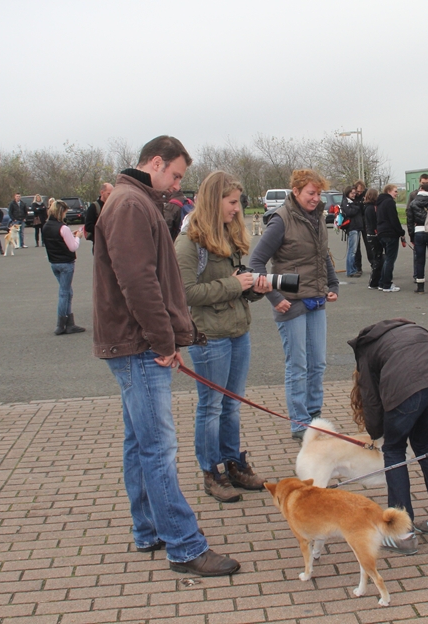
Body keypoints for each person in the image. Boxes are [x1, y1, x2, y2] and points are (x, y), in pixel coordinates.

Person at [93, 135, 239, 577]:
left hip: (137, 343)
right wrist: (164, 342)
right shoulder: (131, 205)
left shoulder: (133, 200)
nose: (177, 185)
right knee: (157, 448)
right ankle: (184, 545)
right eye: (175, 174)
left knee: (140, 443)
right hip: (139, 346)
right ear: (155, 162)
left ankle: (149, 529)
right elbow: (138, 282)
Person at [176, 171, 272, 502]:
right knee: (212, 406)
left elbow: (237, 284)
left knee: (231, 405)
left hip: (237, 331)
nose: (237, 209)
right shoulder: (188, 243)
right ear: (213, 201)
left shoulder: (228, 235)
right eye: (231, 203)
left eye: (237, 203)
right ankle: (210, 471)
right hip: (209, 337)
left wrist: (255, 288)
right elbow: (185, 292)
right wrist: (236, 285)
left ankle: (234, 464)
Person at [348, 319, 428, 555]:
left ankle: (402, 534)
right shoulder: (412, 329)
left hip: (408, 385)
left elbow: (370, 398)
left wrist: (378, 436)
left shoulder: (367, 349)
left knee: (394, 449)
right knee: (424, 444)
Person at [249, 169, 340, 441]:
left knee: (318, 364)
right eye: (311, 193)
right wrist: (275, 298)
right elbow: (256, 264)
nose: (315, 198)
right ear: (296, 191)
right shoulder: (281, 221)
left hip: (316, 300)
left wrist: (332, 285)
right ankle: (300, 423)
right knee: (298, 365)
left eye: (318, 194)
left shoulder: (317, 218)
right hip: (291, 304)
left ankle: (314, 416)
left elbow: (322, 255)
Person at [43, 200, 86, 336]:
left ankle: (68, 322)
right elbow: (73, 246)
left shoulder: (46, 226)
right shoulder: (63, 228)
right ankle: (61, 323)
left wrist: (70, 236)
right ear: (61, 212)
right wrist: (78, 237)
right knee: (64, 292)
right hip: (66, 262)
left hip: (54, 262)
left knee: (67, 291)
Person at [375, 184, 403, 292]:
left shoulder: (380, 202)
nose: (397, 193)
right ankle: (387, 284)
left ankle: (382, 282)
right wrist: (401, 232)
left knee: (387, 258)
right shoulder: (389, 202)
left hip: (381, 232)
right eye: (395, 191)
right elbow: (394, 219)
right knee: (390, 259)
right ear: (389, 191)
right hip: (390, 233)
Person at [407, 173, 428, 281]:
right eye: (423, 183)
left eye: (427, 183)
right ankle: (417, 275)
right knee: (417, 255)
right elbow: (409, 211)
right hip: (418, 227)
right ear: (419, 182)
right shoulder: (413, 194)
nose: (425, 184)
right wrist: (411, 232)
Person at [341, 185, 364, 277]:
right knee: (352, 250)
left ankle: (353, 269)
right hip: (352, 228)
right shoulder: (346, 202)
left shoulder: (353, 202)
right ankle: (350, 271)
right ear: (347, 193)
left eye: (355, 193)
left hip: (357, 227)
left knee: (354, 250)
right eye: (352, 193)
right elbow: (349, 212)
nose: (354, 195)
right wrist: (357, 207)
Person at [363, 188, 382, 289]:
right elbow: (373, 222)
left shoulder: (367, 207)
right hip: (373, 235)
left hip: (370, 234)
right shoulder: (371, 208)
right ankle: (374, 282)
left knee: (377, 258)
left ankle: (376, 280)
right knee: (377, 259)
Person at [83, 183, 113, 247]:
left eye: (112, 194)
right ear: (102, 192)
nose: (111, 196)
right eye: (109, 193)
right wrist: (102, 229)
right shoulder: (94, 207)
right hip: (99, 244)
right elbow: (88, 226)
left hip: (112, 243)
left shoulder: (114, 205)